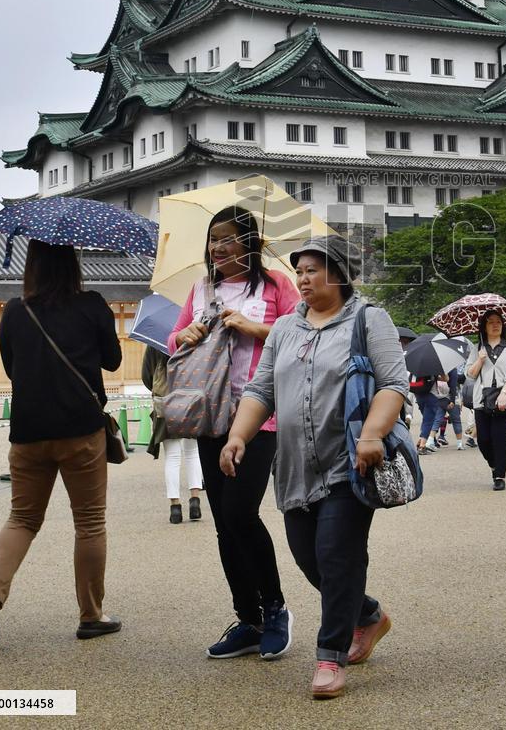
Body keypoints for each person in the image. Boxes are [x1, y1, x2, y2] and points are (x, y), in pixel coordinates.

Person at [220, 236, 408, 700]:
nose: (302, 278)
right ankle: (366, 615)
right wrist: (238, 435)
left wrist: (372, 435)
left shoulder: (368, 319)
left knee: (337, 555)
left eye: (312, 269)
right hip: (295, 466)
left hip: (349, 461)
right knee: (309, 558)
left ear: (339, 274)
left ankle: (330, 655)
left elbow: (393, 384)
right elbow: (261, 389)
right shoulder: (285, 328)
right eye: (298, 271)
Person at [0, 241, 122, 648]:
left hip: (28, 431)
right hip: (80, 431)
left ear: (32, 265)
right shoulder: (92, 304)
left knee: (21, 518)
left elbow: (11, 367)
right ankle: (91, 615)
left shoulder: (15, 310)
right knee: (89, 522)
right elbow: (112, 361)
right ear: (72, 264)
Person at [167, 206, 300, 661]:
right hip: (211, 415)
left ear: (250, 243)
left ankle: (276, 608)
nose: (218, 248)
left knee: (242, 512)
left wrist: (254, 326)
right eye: (213, 241)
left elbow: (302, 337)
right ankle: (248, 618)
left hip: (260, 415)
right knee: (224, 522)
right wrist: (185, 334)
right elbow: (173, 339)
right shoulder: (202, 288)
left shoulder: (277, 286)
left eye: (227, 240)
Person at [142, 346, 203, 524]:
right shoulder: (193, 336)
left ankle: (175, 508)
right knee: (192, 452)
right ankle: (195, 501)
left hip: (165, 402)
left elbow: (147, 375)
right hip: (191, 399)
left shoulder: (155, 342)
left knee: (172, 456)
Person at [466, 310, 506, 490]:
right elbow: (470, 375)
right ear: (484, 326)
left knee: (499, 437)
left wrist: (504, 393)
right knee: (483, 440)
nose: (496, 325)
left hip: (504, 399)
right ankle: (494, 465)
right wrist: (480, 360)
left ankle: (500, 476)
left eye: (498, 321)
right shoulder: (477, 348)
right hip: (481, 400)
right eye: (491, 322)